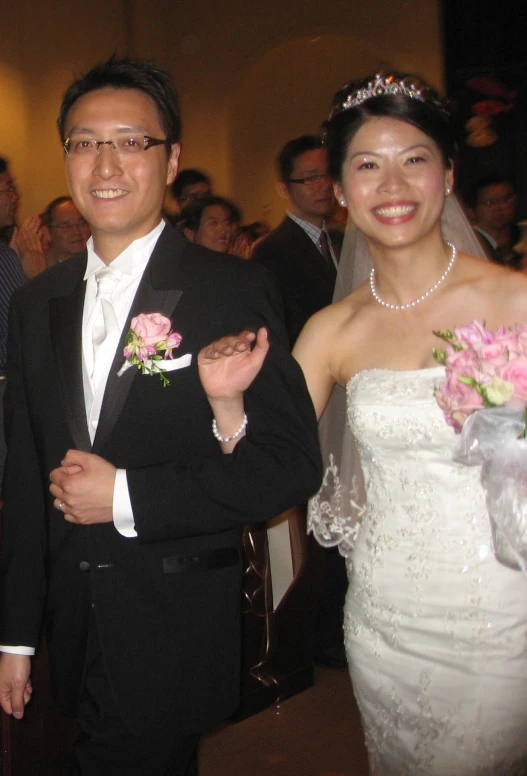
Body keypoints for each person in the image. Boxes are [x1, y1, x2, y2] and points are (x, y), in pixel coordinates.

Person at [0, 56, 322, 776]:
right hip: (74, 626)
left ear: (171, 158)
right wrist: (15, 639)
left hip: (172, 622)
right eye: (84, 142)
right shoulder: (34, 303)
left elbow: (288, 462)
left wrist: (123, 495)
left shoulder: (231, 289)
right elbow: (27, 474)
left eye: (130, 141)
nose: (105, 163)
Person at [198, 73, 527, 774]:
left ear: (446, 173)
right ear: (340, 192)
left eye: (413, 158)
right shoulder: (331, 330)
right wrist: (227, 404)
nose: (393, 184)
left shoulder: (513, 300)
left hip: (501, 608)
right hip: (384, 615)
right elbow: (268, 470)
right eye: (366, 165)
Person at [253, 134, 340, 347]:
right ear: (284, 188)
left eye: (328, 174)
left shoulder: (342, 239)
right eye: (310, 178)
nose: (324, 185)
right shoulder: (272, 250)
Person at [41, 195, 91, 265]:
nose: (76, 231)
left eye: (82, 223)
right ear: (48, 233)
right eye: (67, 226)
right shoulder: (42, 270)